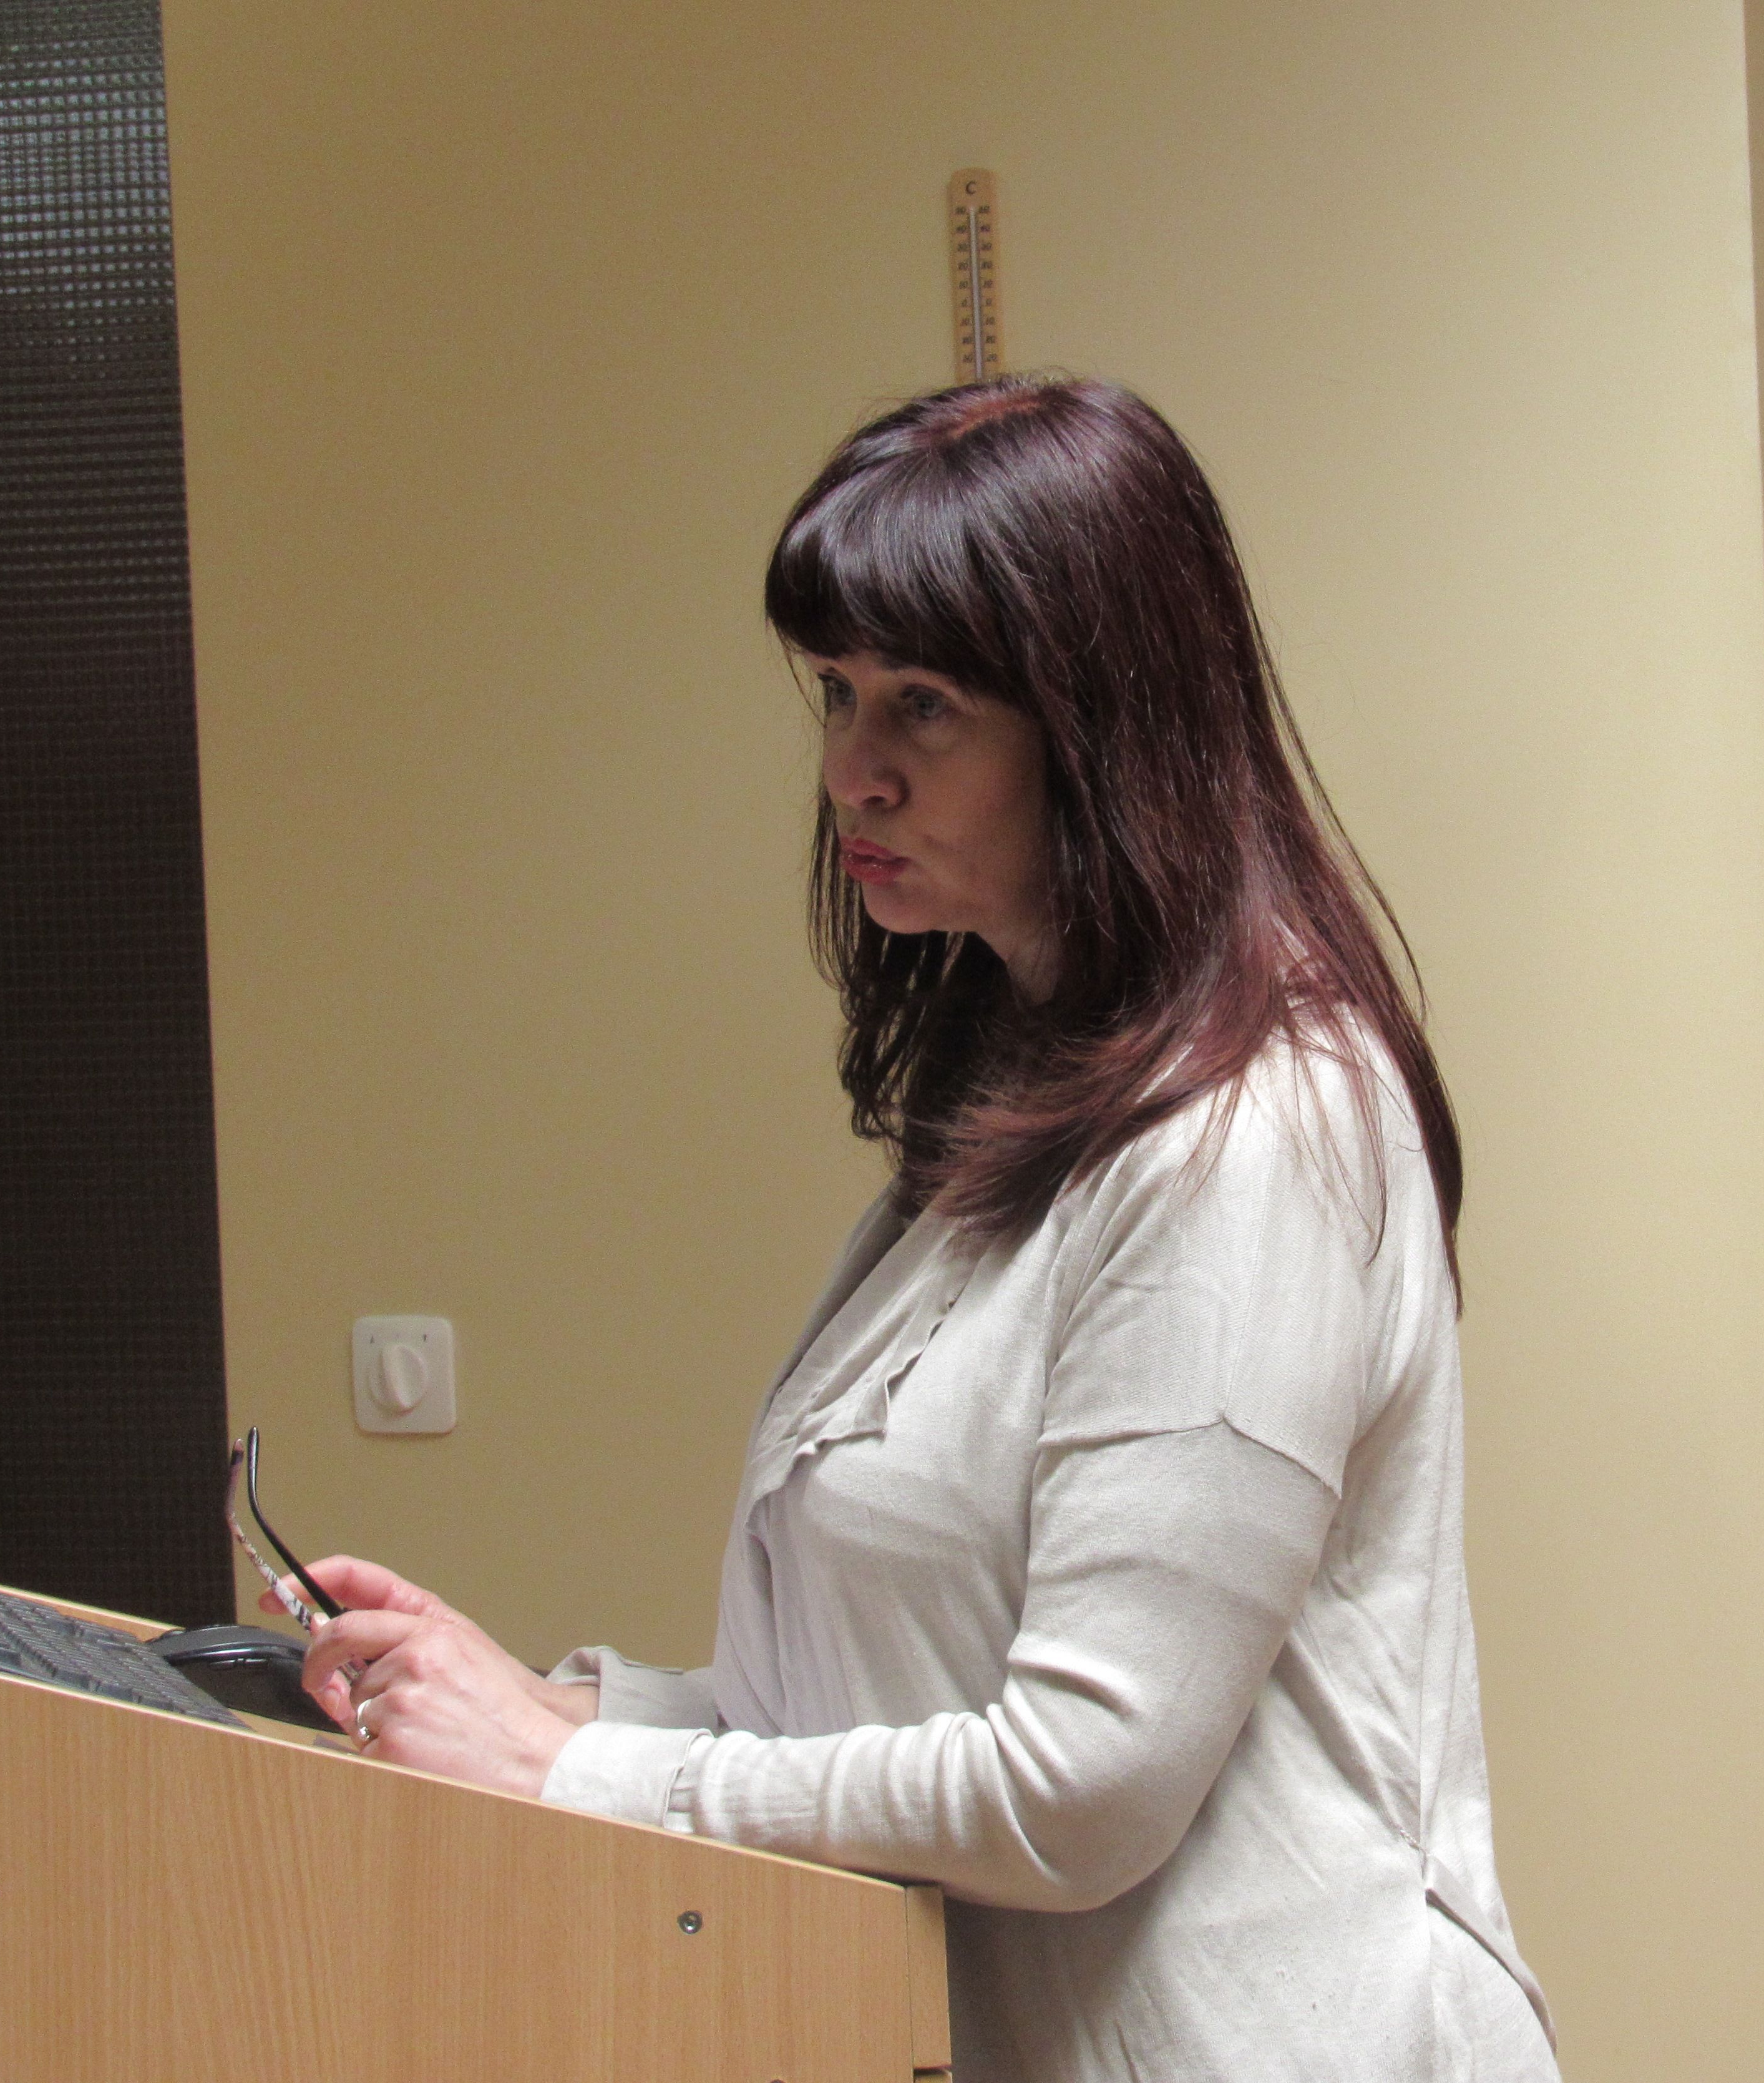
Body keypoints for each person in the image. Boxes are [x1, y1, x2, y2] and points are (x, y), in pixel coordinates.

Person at [286, 377, 1561, 2082]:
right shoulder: (1033, 1091)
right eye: (834, 691)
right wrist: (550, 1709)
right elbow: (895, 1694)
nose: (850, 773)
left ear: (1101, 725)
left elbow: (1080, 1786)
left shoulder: (1251, 1132)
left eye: (925, 708)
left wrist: (576, 1774)